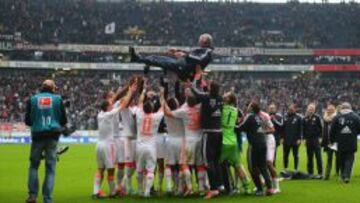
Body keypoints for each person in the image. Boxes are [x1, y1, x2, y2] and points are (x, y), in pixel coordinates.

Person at [25, 80, 68, 203]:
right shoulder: (58, 99)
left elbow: (27, 121)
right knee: (50, 169)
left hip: (37, 136)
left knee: (33, 166)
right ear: (53, 88)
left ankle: (32, 196)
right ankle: (47, 199)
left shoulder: (32, 99)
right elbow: (64, 120)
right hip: (53, 137)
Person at [92, 82, 137, 198]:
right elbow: (122, 104)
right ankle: (113, 191)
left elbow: (119, 98)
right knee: (111, 169)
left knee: (101, 168)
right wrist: (130, 90)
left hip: (100, 144)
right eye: (110, 97)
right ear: (107, 101)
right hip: (110, 143)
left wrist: (126, 90)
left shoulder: (100, 114)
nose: (113, 98)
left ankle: (96, 191)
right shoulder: (110, 112)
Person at [163, 92, 206, 196]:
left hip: (189, 140)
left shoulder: (184, 111)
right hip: (200, 139)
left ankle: (190, 187)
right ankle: (201, 189)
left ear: (187, 102)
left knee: (184, 164)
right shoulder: (200, 108)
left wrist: (162, 100)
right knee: (200, 165)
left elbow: (168, 113)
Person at [129, 34, 213, 81]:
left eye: (200, 40)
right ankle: (139, 59)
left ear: (205, 42)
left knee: (161, 61)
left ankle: (138, 59)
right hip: (182, 66)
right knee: (158, 58)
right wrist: (177, 50)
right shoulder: (203, 50)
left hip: (184, 69)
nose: (198, 42)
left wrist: (184, 55)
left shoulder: (207, 52)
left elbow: (199, 60)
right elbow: (191, 54)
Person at [191, 80, 224, 199]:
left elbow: (195, 92)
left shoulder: (205, 98)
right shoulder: (220, 98)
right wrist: (204, 83)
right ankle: (220, 186)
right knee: (216, 160)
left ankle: (213, 189)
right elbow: (208, 95)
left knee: (208, 161)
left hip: (209, 133)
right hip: (219, 132)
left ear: (210, 89)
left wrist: (193, 82)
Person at [238, 101, 275, 196]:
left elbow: (241, 127)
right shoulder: (260, 117)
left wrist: (231, 126)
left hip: (254, 145)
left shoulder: (250, 116)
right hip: (263, 143)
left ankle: (259, 189)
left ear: (251, 108)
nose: (247, 107)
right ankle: (270, 188)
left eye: (249, 106)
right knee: (262, 166)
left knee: (252, 168)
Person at [134, 87, 165, 197]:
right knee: (150, 170)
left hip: (139, 146)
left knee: (139, 170)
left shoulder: (139, 115)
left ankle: (139, 190)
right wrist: (161, 95)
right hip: (151, 147)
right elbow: (163, 107)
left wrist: (143, 91)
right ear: (152, 109)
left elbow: (139, 102)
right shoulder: (156, 117)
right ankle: (147, 192)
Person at [220, 92, 250, 195]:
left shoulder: (222, 109)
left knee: (220, 165)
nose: (224, 96)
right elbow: (240, 122)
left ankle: (228, 187)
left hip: (223, 139)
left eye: (226, 95)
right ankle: (246, 187)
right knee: (238, 165)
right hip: (233, 140)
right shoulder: (236, 110)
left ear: (229, 99)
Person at [330, 102, 360, 183]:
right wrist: (353, 134)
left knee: (341, 159)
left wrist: (332, 141)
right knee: (349, 159)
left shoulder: (337, 117)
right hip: (351, 142)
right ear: (350, 108)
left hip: (340, 143)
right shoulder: (355, 117)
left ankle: (343, 175)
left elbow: (332, 131)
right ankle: (346, 176)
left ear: (342, 108)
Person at [163, 97, 185, 195]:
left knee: (168, 165)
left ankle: (169, 187)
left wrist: (162, 96)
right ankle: (179, 188)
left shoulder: (166, 114)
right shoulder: (181, 113)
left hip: (170, 141)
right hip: (180, 141)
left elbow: (164, 106)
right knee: (180, 165)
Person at [303, 103, 323, 178]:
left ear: (314, 110)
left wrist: (320, 138)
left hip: (315, 139)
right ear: (307, 109)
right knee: (309, 157)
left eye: (312, 109)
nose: (311, 110)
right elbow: (304, 130)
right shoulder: (305, 118)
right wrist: (304, 139)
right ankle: (310, 172)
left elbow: (321, 128)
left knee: (318, 156)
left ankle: (320, 173)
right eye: (310, 109)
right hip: (308, 140)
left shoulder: (317, 117)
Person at [283, 104, 303, 172]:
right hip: (286, 139)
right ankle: (285, 168)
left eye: (292, 109)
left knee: (295, 155)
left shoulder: (299, 117)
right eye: (289, 109)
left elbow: (301, 129)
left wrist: (299, 138)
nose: (290, 110)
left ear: (295, 109)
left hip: (295, 140)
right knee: (285, 155)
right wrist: (282, 137)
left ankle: (296, 169)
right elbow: (283, 128)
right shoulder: (285, 117)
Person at [321, 104, 338, 180]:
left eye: (331, 109)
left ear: (334, 110)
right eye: (328, 109)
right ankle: (327, 175)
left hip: (336, 142)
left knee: (338, 158)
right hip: (328, 142)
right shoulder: (325, 119)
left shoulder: (337, 118)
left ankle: (338, 172)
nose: (329, 111)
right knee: (329, 159)